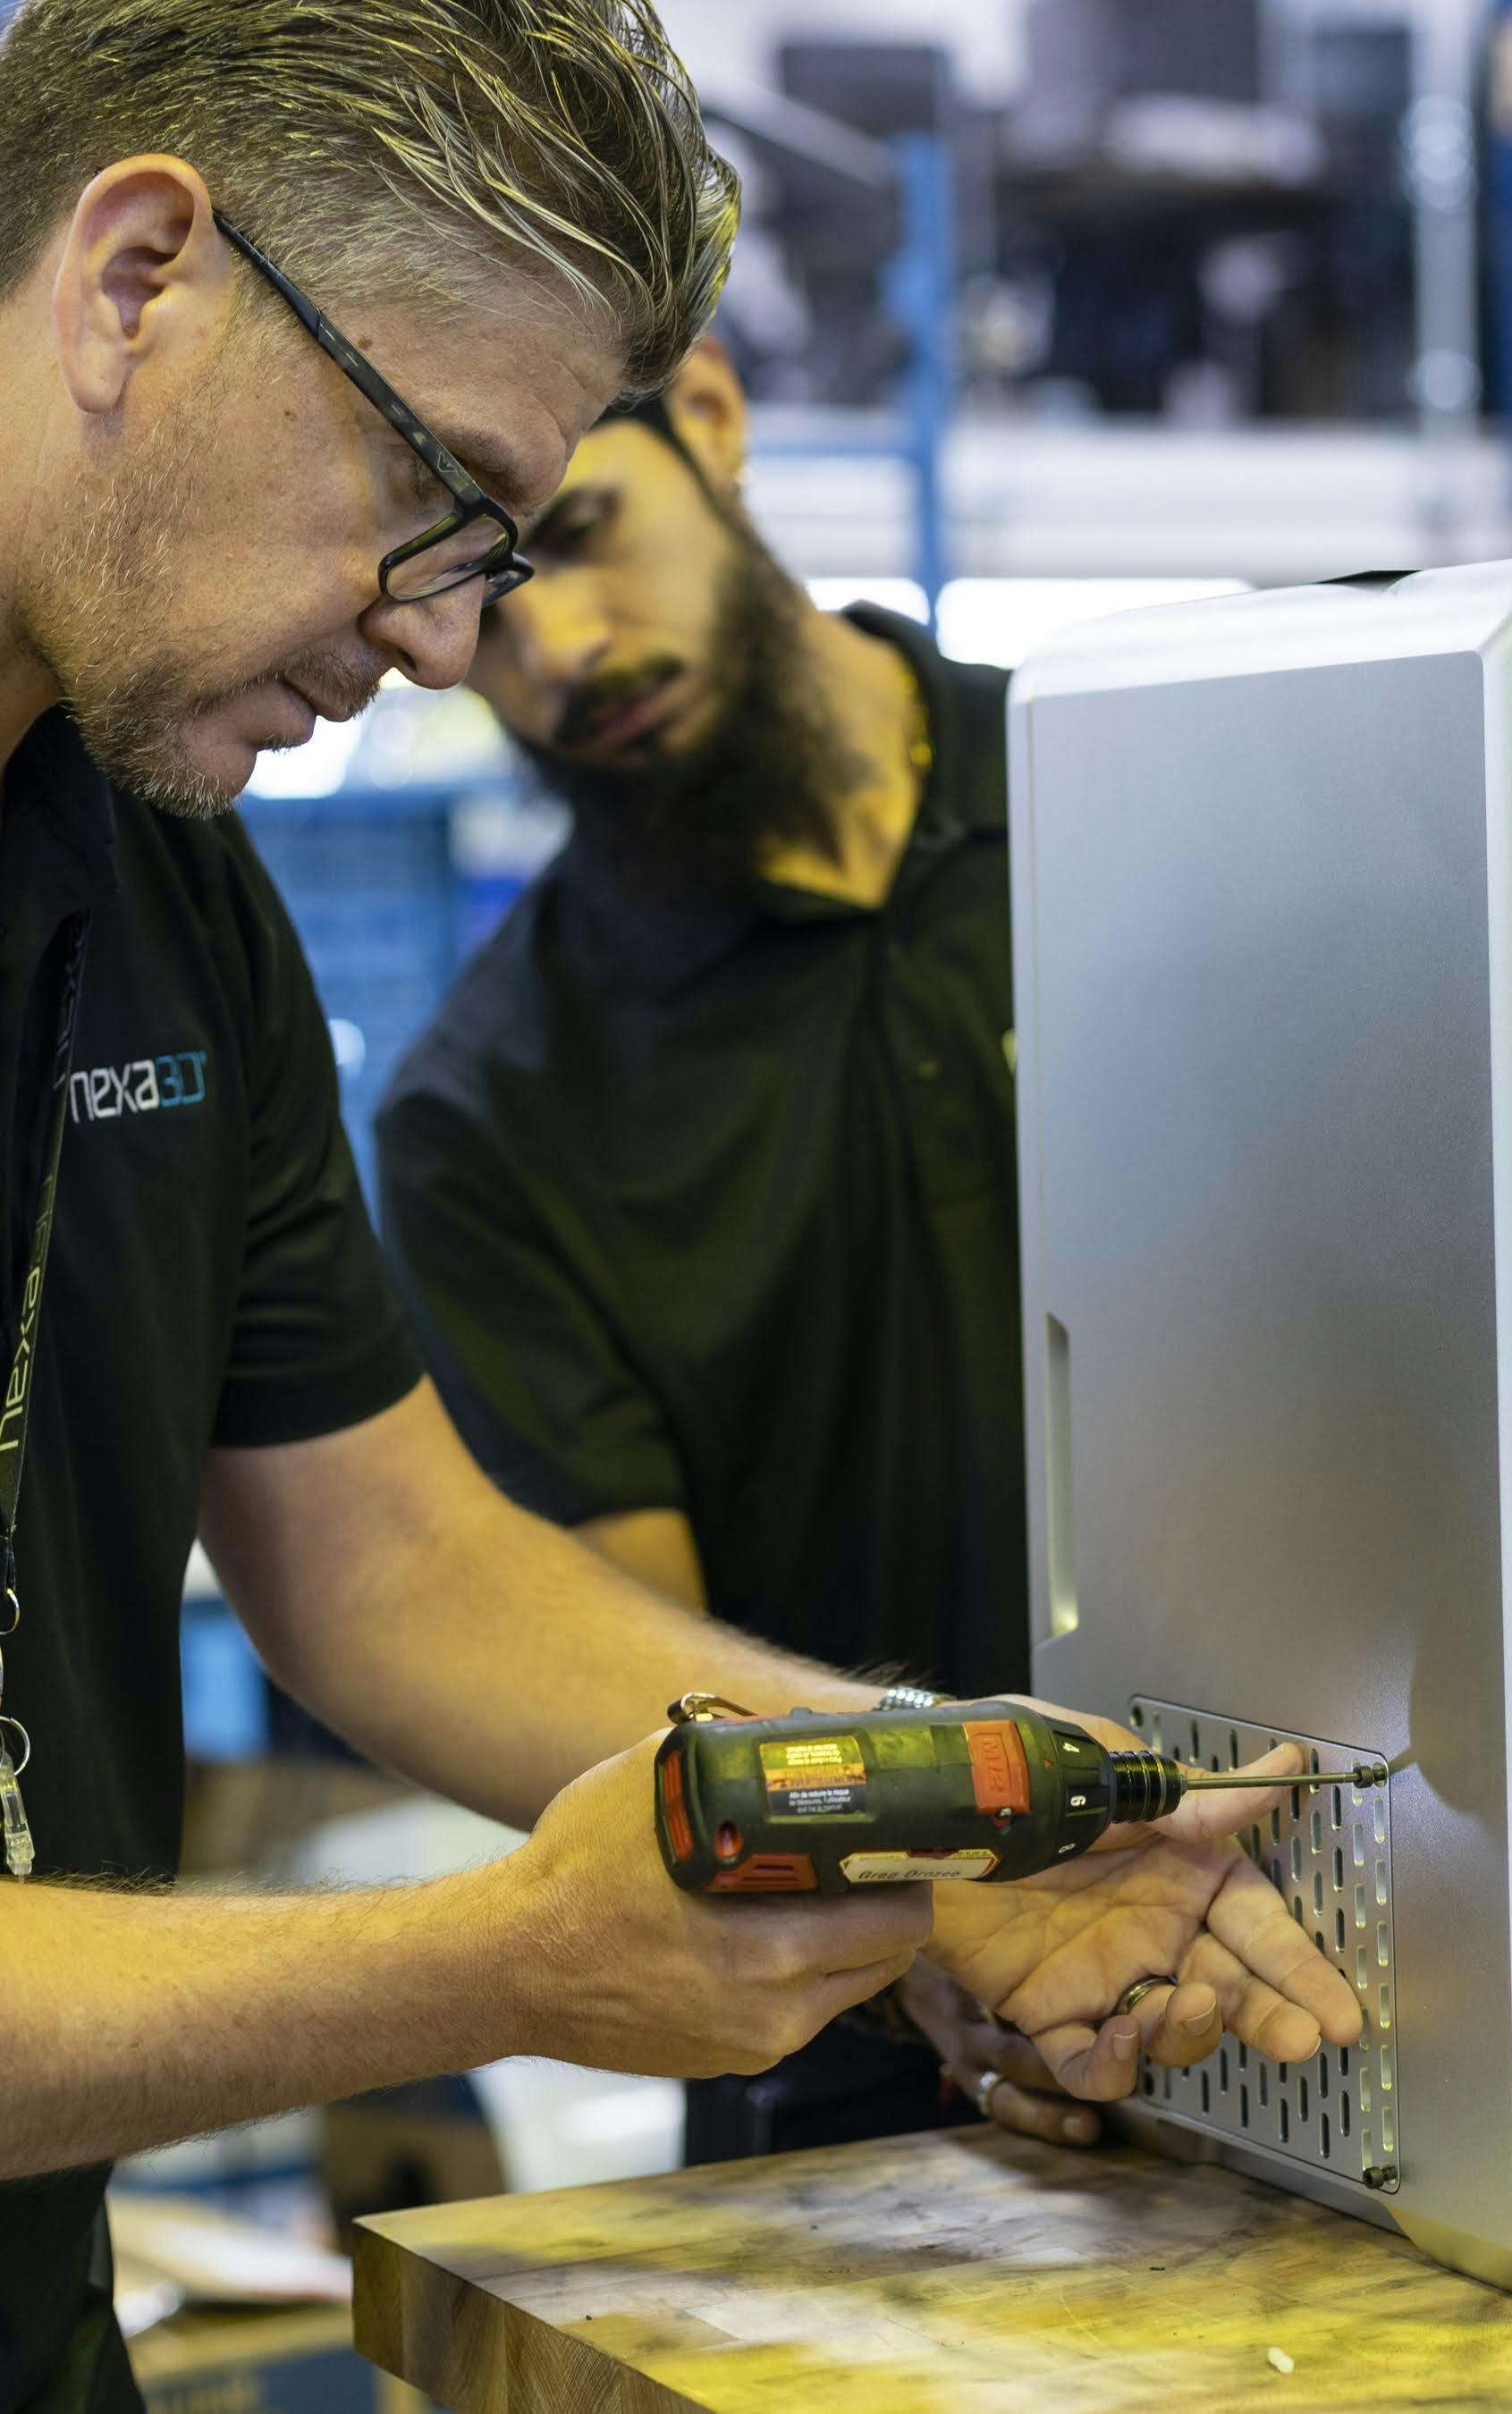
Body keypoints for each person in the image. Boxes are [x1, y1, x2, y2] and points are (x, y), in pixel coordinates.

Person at [0, 6, 1356, 2409]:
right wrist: (500, 1959)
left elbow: (392, 1561)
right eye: (429, 490)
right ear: (136, 277)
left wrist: (947, 1813)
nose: (447, 632)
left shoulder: (142, 842)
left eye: (507, 538)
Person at [371, 341, 1074, 2161]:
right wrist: (949, 1910)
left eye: (585, 536)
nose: (561, 655)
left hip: (1358, 1904)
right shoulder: (495, 1112)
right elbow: (630, 1673)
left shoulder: (1143, 785)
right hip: (881, 2068)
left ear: (710, 416)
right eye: (482, 616)